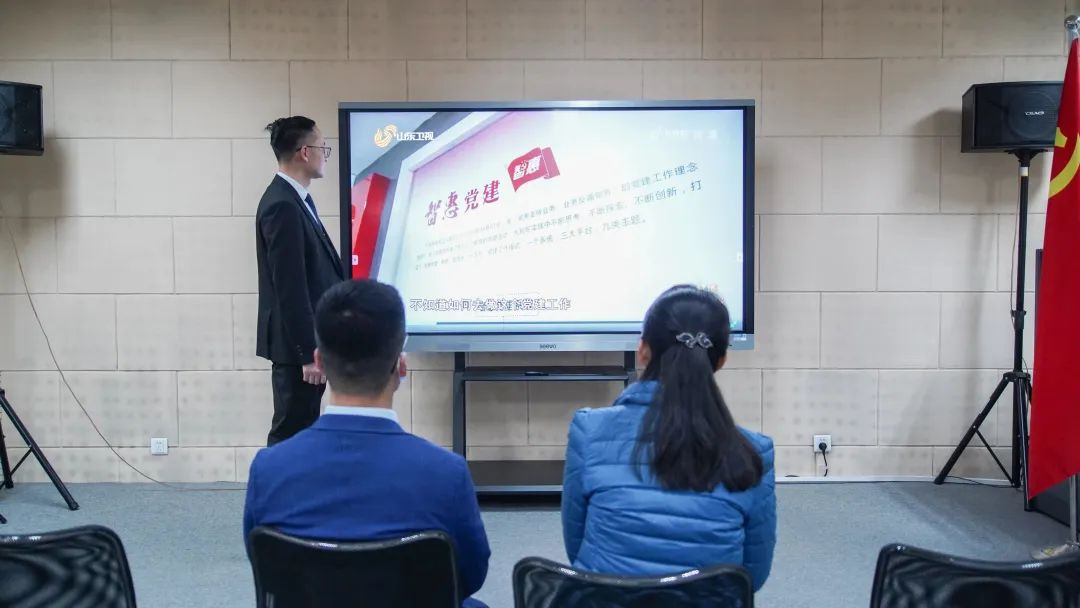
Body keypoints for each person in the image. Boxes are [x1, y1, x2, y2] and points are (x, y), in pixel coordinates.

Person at [243, 279, 491, 607]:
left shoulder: (269, 469)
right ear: (400, 366)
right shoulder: (446, 473)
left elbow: (267, 570)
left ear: (319, 361)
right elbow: (469, 576)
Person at [561, 285, 777, 591]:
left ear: (643, 350)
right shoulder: (754, 452)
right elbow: (752, 575)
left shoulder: (589, 431)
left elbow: (576, 547)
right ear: (721, 361)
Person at [255, 116, 345, 445]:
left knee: (303, 431)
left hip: (307, 344)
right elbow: (289, 287)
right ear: (305, 152)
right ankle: (271, 481)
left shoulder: (297, 200)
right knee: (290, 433)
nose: (325, 155)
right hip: (298, 351)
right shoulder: (282, 205)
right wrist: (308, 353)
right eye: (323, 148)